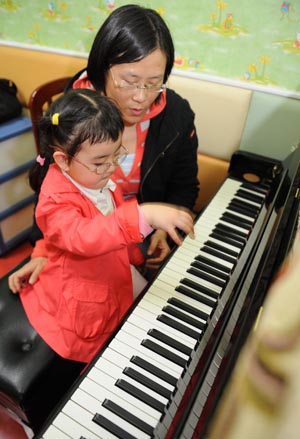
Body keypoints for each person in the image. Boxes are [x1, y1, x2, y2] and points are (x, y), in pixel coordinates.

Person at [9, 4, 199, 289]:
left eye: (153, 83)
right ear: (102, 69)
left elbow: (185, 185)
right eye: (130, 81)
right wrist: (42, 248)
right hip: (84, 238)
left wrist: (163, 227)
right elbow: (52, 191)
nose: (140, 97)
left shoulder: (177, 115)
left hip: (141, 236)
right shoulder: (77, 114)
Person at [10, 88, 194, 364]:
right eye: (100, 162)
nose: (110, 168)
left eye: (115, 155)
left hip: (116, 263)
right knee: (111, 349)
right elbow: (80, 235)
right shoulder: (55, 197)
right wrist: (143, 216)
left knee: (149, 308)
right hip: (87, 284)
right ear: (62, 160)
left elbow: (98, 217)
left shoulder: (89, 173)